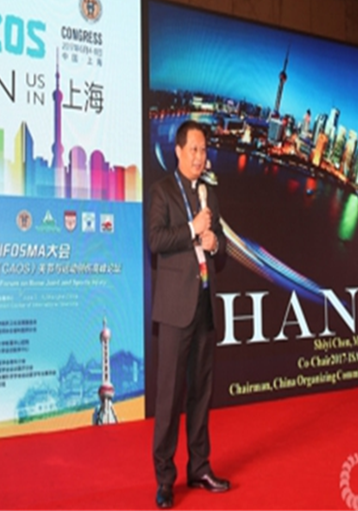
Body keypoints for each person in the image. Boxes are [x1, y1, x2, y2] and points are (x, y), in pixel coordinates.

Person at [148, 120, 230, 509]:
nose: (199, 156)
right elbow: (156, 240)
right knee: (169, 398)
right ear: (178, 151)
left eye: (204, 150)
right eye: (193, 149)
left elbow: (223, 250)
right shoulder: (162, 191)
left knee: (200, 394)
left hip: (204, 306)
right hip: (174, 309)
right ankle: (165, 479)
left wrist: (214, 244)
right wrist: (192, 229)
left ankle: (200, 467)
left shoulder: (209, 194)